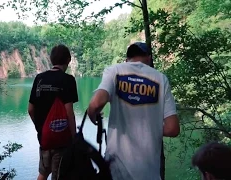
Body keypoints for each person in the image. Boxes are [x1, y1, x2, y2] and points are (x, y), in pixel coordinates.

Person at [87, 42, 180, 180]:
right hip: (149, 172)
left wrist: (92, 116)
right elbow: (173, 129)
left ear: (127, 59)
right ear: (148, 58)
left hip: (116, 169)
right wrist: (150, 128)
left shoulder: (115, 71)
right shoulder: (161, 79)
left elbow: (96, 104)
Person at [28, 44, 78, 180]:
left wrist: (41, 128)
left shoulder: (39, 78)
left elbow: (30, 109)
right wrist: (74, 137)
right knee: (59, 176)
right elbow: (69, 112)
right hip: (62, 139)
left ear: (51, 60)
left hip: (44, 137)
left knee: (43, 173)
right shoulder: (68, 80)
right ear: (68, 60)